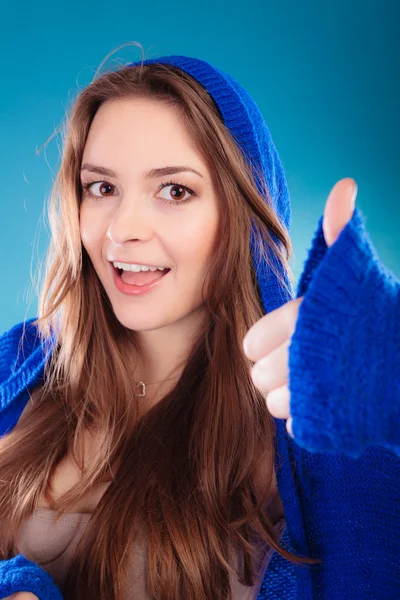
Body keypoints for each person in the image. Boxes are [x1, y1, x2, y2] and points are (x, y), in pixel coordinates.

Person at [0, 45, 399, 600]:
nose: (123, 230)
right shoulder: (20, 364)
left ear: (242, 214)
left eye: (175, 190)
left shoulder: (326, 425)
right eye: (103, 188)